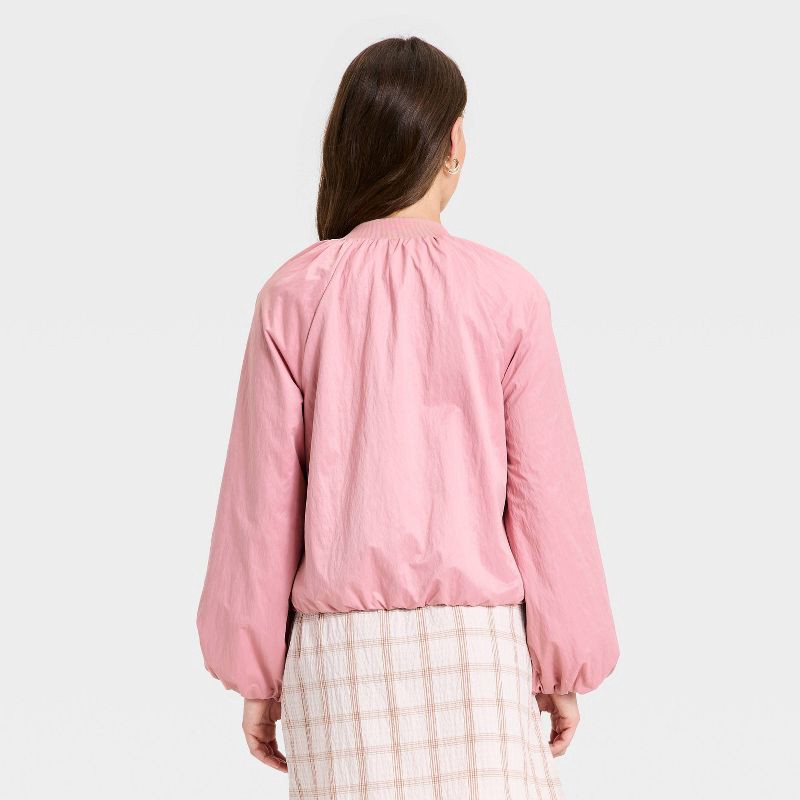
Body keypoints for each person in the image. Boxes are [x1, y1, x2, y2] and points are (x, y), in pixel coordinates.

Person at [196, 35, 619, 800]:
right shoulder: (508, 294)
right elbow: (546, 496)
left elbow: (261, 509)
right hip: (480, 654)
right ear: (454, 142)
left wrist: (257, 675)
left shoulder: (294, 297)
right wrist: (562, 664)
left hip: (337, 661)